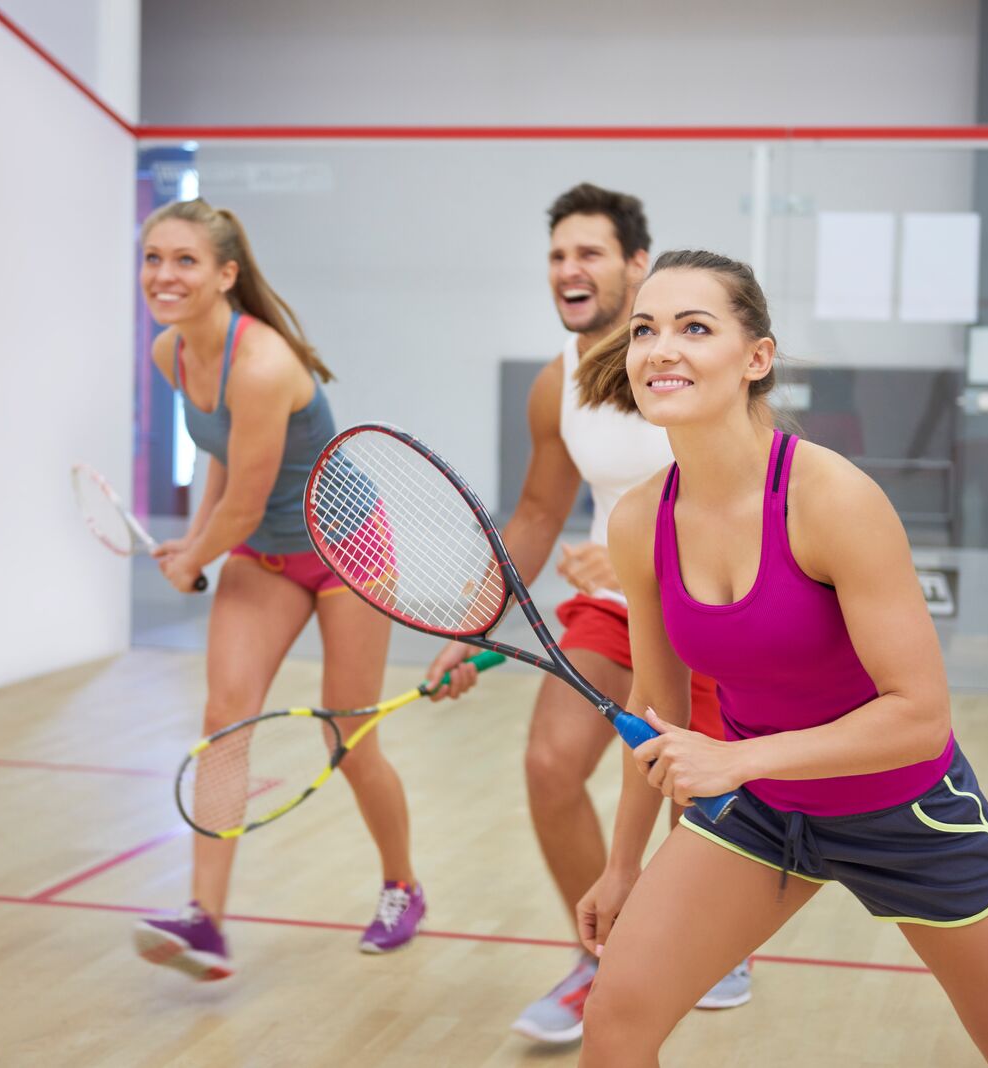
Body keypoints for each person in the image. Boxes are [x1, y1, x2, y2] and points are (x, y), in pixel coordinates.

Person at [572, 250, 988, 1068]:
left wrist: (736, 758)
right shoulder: (641, 521)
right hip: (761, 813)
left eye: (693, 327)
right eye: (645, 329)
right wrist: (622, 864)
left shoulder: (833, 500)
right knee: (615, 1023)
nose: (659, 348)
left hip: (907, 815)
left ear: (757, 359)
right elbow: (659, 710)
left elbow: (919, 719)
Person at [425, 184, 747, 1044]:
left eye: (590, 252)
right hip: (613, 606)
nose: (571, 269)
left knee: (692, 799)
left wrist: (657, 555)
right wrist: (473, 625)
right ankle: (600, 958)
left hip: (710, 608)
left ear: (637, 266)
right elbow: (535, 514)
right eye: (559, 255)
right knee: (549, 764)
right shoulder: (555, 383)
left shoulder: (684, 366)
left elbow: (739, 489)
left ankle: (706, 940)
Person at [130, 199, 424, 980]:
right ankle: (206, 924)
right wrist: (196, 546)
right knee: (223, 721)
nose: (164, 274)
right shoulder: (171, 353)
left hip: (346, 549)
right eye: (153, 257)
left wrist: (193, 555)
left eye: (185, 260)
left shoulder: (261, 364)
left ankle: (402, 885)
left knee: (348, 736)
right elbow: (222, 458)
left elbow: (246, 502)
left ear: (226, 275)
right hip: (262, 556)